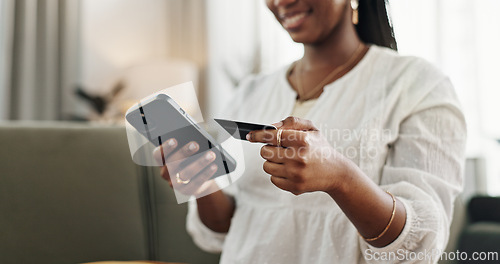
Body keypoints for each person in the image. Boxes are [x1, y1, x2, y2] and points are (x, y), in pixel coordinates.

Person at [156, 0, 467, 263]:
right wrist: (201, 184)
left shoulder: (418, 85)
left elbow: (420, 245)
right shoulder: (250, 93)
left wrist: (341, 178)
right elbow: (225, 229)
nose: (281, 2)